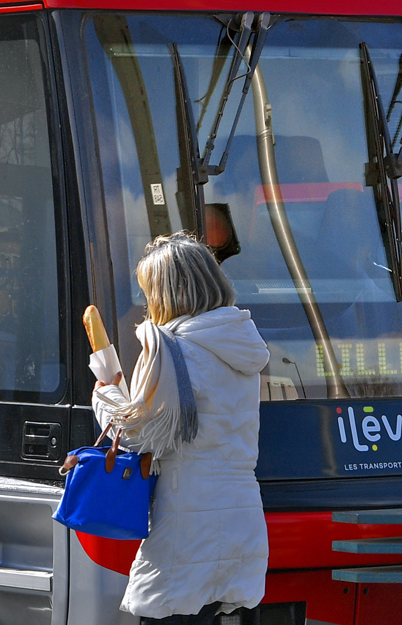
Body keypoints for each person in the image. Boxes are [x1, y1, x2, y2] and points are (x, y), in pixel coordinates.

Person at [88, 233, 270, 624]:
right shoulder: (241, 342)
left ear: (168, 291)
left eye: (149, 290)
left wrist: (105, 394)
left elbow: (137, 436)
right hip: (242, 517)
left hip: (187, 521)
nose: (147, 301)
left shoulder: (168, 346)